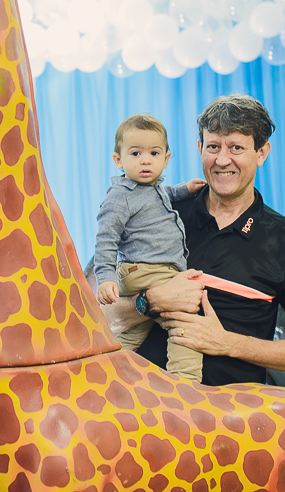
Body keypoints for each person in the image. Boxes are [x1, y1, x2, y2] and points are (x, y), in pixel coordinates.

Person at [103, 94, 285, 386]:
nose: (222, 160)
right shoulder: (158, 210)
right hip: (140, 404)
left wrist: (224, 342)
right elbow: (100, 317)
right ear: (200, 148)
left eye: (236, 147)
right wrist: (150, 301)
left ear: (262, 153)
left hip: (231, 418)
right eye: (213, 147)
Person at [93, 114, 206, 381]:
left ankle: (102, 370)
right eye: (135, 153)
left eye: (154, 153)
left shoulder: (152, 189)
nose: (145, 160)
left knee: (133, 332)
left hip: (148, 270)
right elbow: (106, 237)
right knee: (184, 316)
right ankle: (186, 380)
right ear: (118, 160)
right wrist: (105, 277)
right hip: (146, 270)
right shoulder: (121, 195)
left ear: (166, 159)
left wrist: (185, 189)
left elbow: (165, 195)